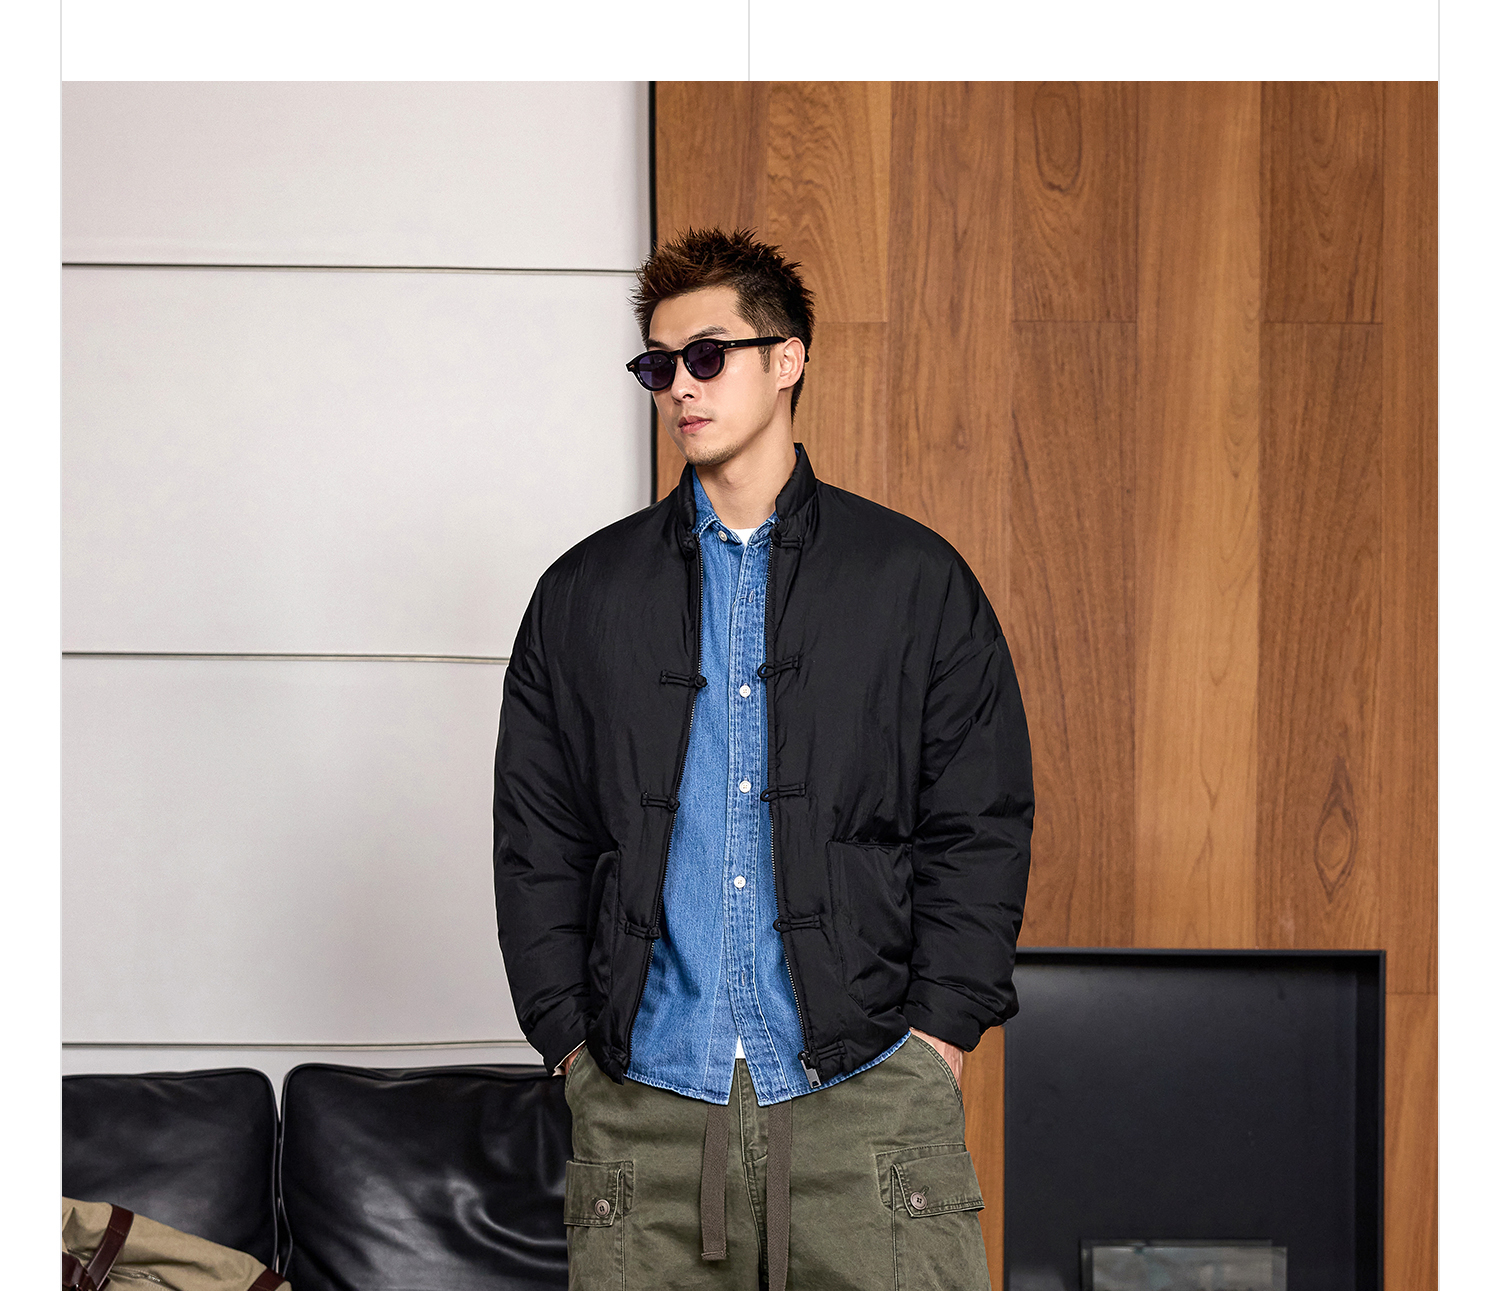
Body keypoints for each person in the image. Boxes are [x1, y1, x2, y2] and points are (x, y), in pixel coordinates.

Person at [493, 226, 1033, 1290]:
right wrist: (568, 1040)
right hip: (646, 1107)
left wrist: (941, 1030)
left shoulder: (912, 580)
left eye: (708, 355)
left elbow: (979, 818)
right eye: (659, 366)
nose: (681, 387)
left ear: (788, 359)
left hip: (867, 1096)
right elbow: (538, 836)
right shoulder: (583, 594)